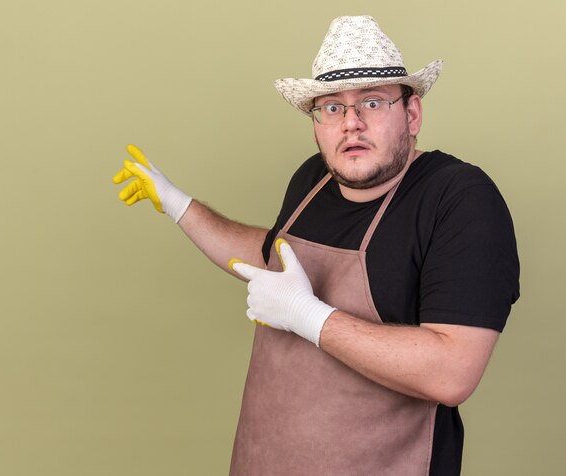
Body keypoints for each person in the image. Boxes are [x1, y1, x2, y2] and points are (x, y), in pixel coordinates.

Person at [112, 15, 519, 476]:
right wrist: (179, 205)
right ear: (316, 123)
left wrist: (309, 316)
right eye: (331, 107)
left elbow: (451, 371)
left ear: (412, 113)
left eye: (372, 101)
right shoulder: (313, 179)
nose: (351, 123)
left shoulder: (458, 199)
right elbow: (272, 259)